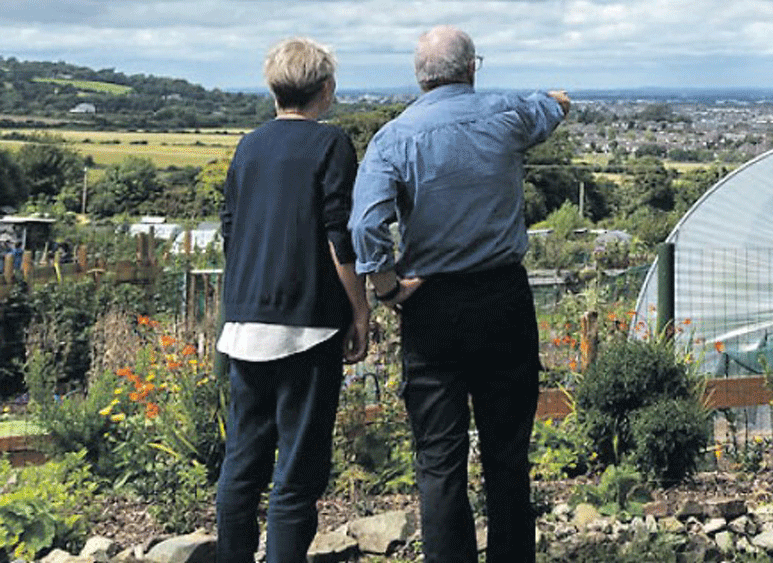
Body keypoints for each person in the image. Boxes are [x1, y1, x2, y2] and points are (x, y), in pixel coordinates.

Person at [350, 25, 570, 563]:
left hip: (430, 305)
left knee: (439, 458)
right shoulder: (507, 114)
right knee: (507, 453)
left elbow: (365, 226)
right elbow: (552, 105)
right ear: (473, 69)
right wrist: (559, 100)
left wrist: (385, 287)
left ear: (419, 76)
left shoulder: (393, 138)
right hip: (503, 298)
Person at [215, 37, 368, 563]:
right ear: (325, 89)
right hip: (308, 323)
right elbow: (338, 238)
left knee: (242, 465)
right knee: (296, 474)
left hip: (243, 322)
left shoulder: (248, 146)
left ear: (274, 87)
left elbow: (231, 233)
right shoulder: (332, 146)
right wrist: (360, 311)